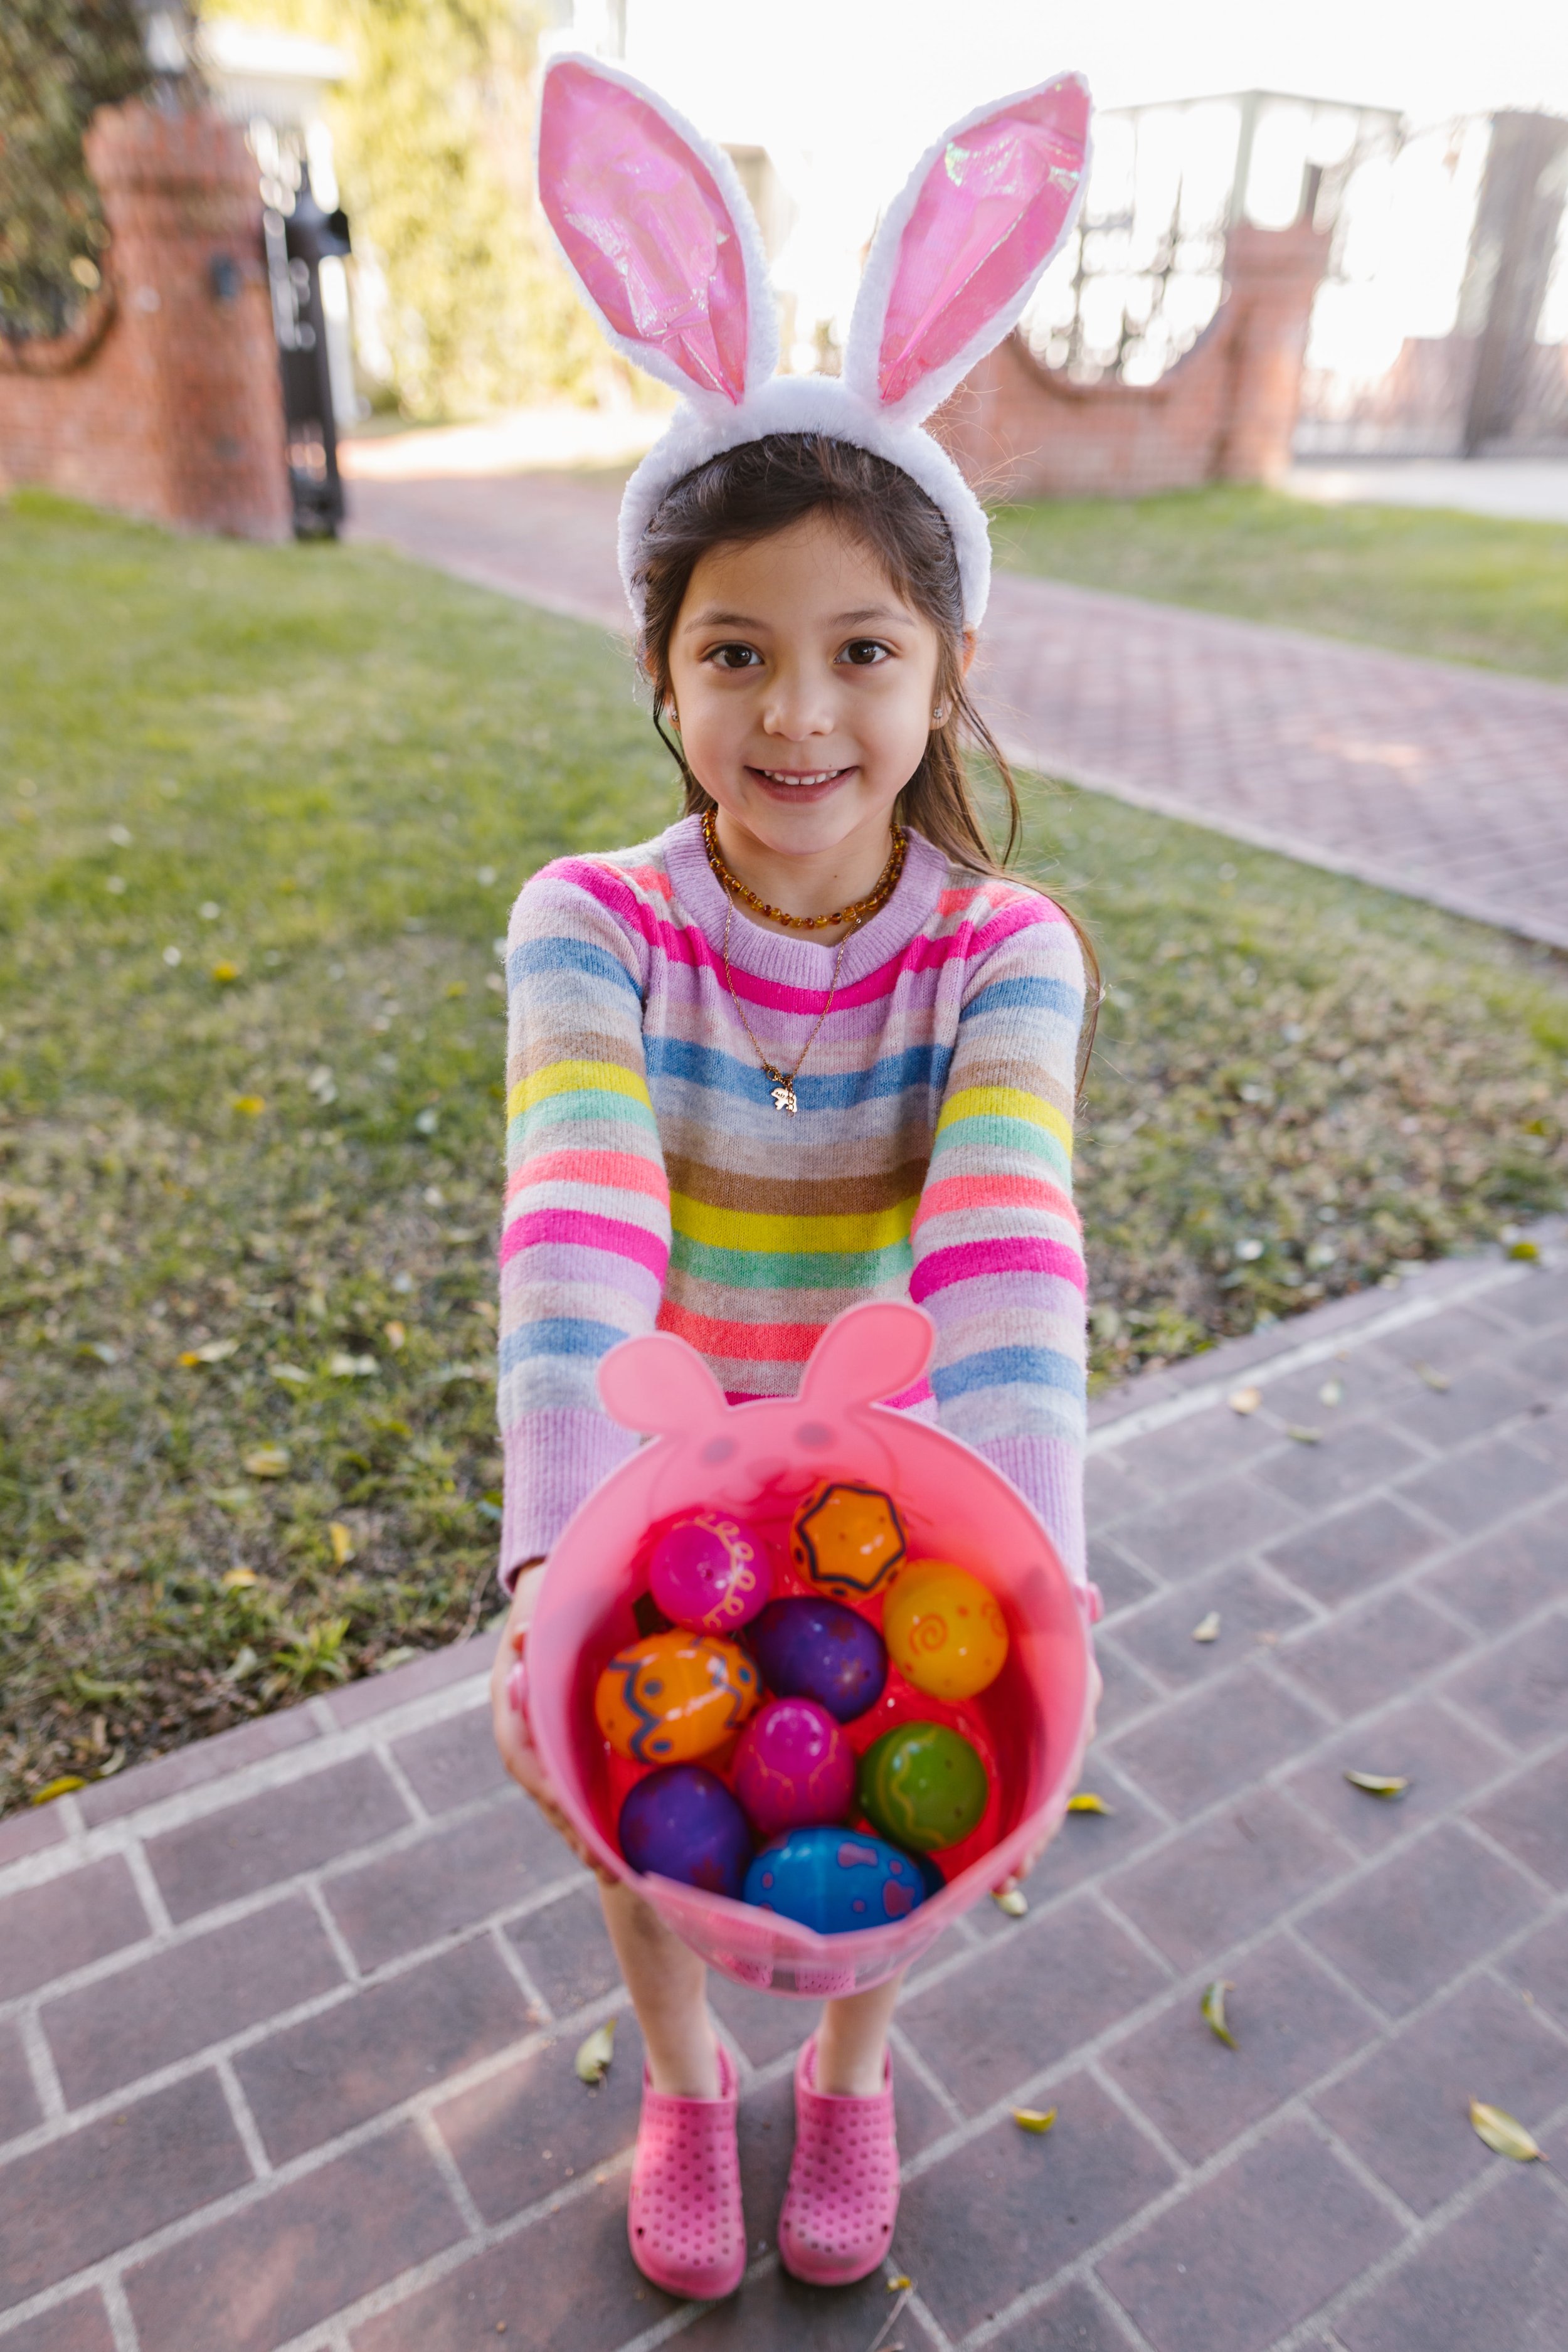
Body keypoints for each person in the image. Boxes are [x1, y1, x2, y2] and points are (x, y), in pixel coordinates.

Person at [490, 51, 1100, 2304]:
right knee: (637, 1809)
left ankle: (846, 2074)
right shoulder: (594, 921)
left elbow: (1009, 1255)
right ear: (662, 676)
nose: (798, 715)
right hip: (663, 1470)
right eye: (734, 652)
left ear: (946, 675)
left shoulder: (1000, 949)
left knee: (870, 1819)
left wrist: (1026, 1566)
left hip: (905, 1483)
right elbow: (573, 1235)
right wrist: (562, 1547)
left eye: (863, 651)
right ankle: (677, 2085)